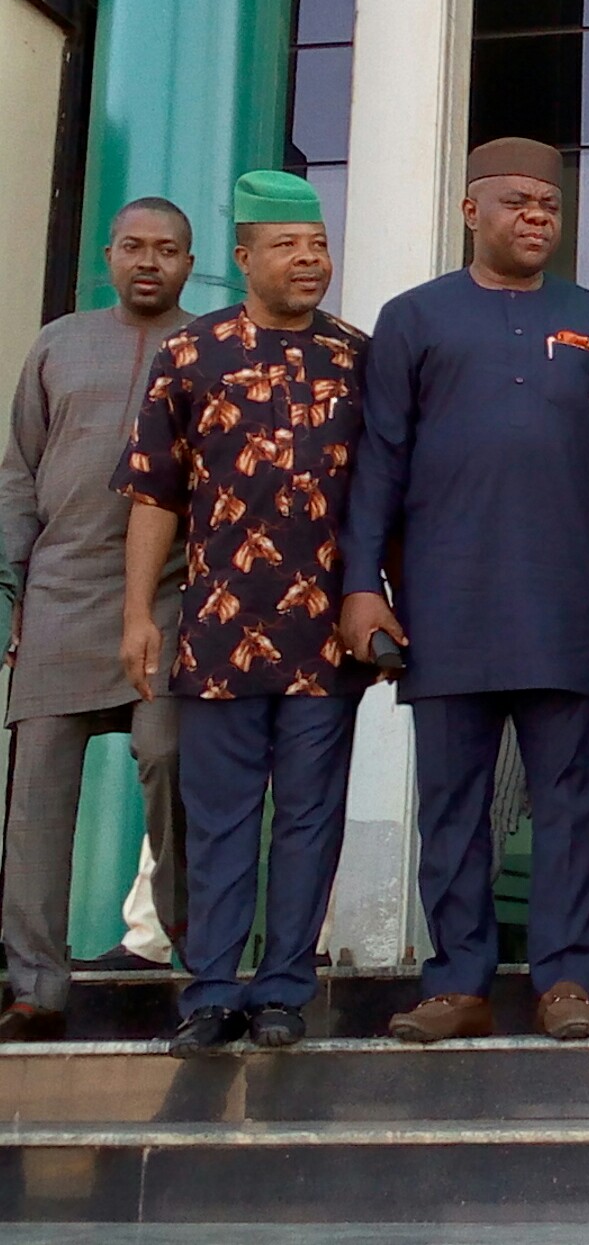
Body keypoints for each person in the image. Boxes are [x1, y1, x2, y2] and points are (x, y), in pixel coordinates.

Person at [338, 137, 589, 1045]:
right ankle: (459, 981)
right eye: (516, 202)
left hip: (566, 602)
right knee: (452, 804)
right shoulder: (414, 318)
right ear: (470, 211)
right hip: (446, 600)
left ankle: (564, 979)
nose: (535, 217)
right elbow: (379, 463)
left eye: (548, 205)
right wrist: (364, 586)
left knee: (564, 802)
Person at [114, 171, 372, 1055]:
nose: (310, 262)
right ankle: (212, 988)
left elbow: (387, 496)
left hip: (324, 637)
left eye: (319, 247)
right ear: (243, 257)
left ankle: (283, 990)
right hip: (219, 628)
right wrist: (138, 613)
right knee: (218, 818)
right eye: (289, 248)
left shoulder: (356, 355)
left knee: (309, 816)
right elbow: (153, 494)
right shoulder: (190, 354)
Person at [0, 199, 194, 1041]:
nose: (148, 263)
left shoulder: (212, 345)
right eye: (133, 248)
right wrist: (8, 594)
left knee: (172, 754)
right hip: (61, 593)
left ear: (192, 263)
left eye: (167, 250)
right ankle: (35, 987)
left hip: (176, 597)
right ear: (106, 254)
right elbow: (17, 477)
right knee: (37, 796)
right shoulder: (58, 343)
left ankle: (195, 947)